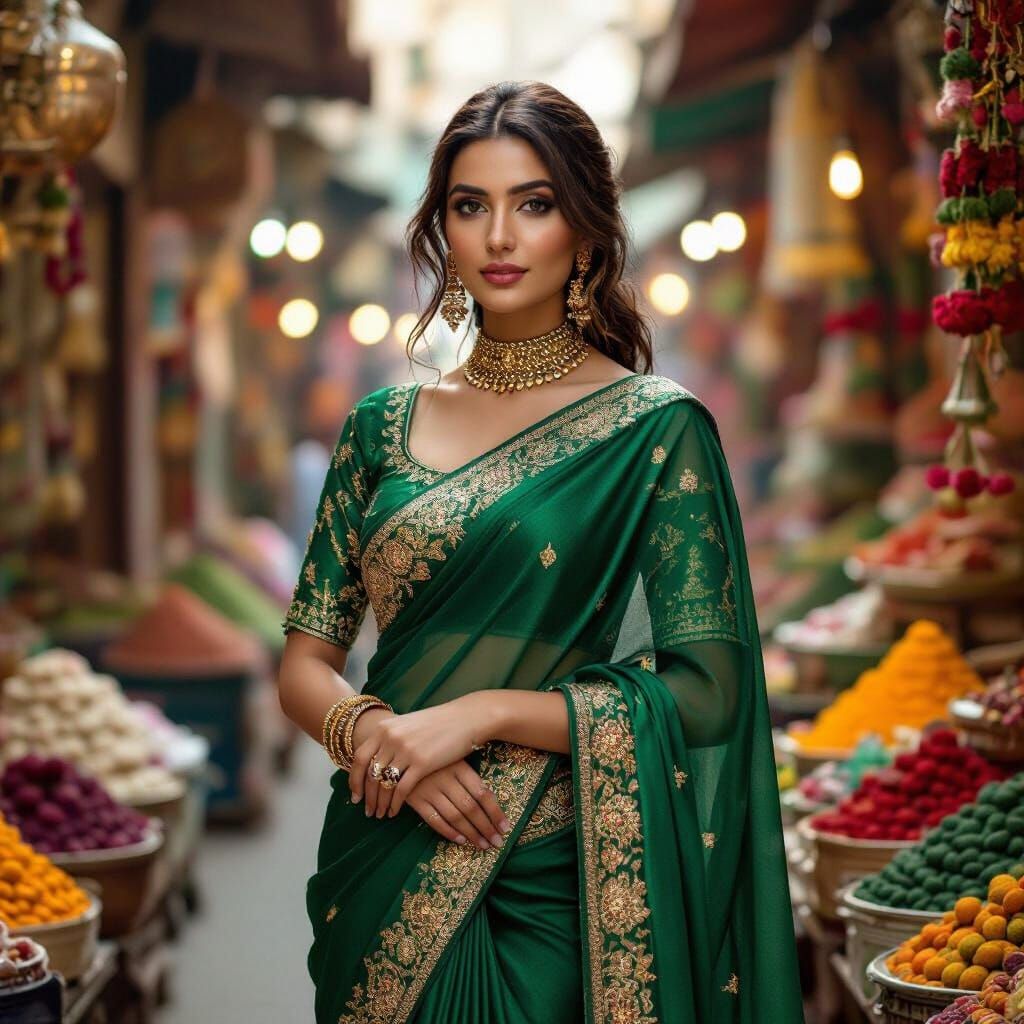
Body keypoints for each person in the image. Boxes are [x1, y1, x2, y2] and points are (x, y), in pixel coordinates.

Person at [277, 80, 805, 1024]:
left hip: (554, 878)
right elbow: (304, 665)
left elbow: (710, 692)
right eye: (469, 206)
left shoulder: (655, 431)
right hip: (383, 843)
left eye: (534, 204)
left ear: (586, 230)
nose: (499, 236)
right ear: (441, 228)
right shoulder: (378, 428)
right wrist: (382, 739)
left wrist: (475, 717)